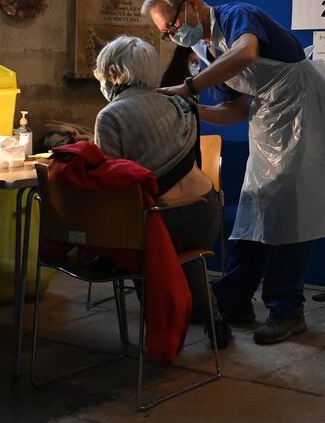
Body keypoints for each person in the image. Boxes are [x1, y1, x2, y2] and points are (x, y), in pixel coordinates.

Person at [143, 0, 325, 345]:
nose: (174, 34)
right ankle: (234, 298)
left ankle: (286, 310)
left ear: (192, 3)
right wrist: (193, 109)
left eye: (173, 25)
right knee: (254, 210)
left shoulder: (237, 16)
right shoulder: (208, 53)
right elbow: (235, 109)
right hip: (268, 117)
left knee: (290, 213)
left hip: (302, 108)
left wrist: (189, 88)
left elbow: (246, 54)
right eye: (167, 33)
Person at [91, 35, 230, 348]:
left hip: (161, 220)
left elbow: (115, 186)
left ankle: (161, 328)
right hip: (207, 211)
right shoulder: (178, 101)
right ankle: (215, 321)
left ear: (113, 73)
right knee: (177, 245)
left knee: (141, 233)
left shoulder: (110, 115)